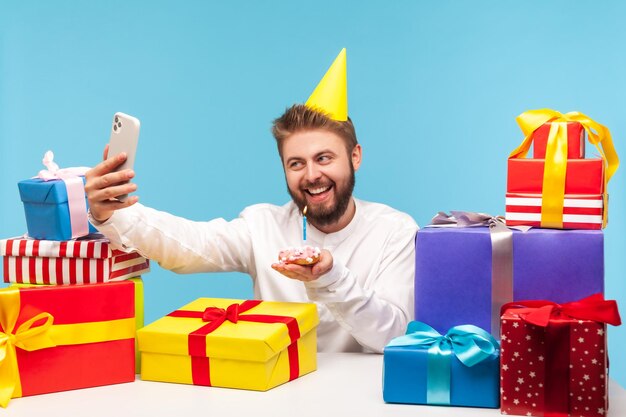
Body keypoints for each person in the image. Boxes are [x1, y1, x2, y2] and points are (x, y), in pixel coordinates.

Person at [85, 49, 418, 353]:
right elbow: (188, 244)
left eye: (324, 158)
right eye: (296, 163)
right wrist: (113, 211)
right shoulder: (262, 226)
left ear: (355, 157)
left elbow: (395, 338)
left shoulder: (395, 231)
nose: (312, 175)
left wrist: (329, 276)